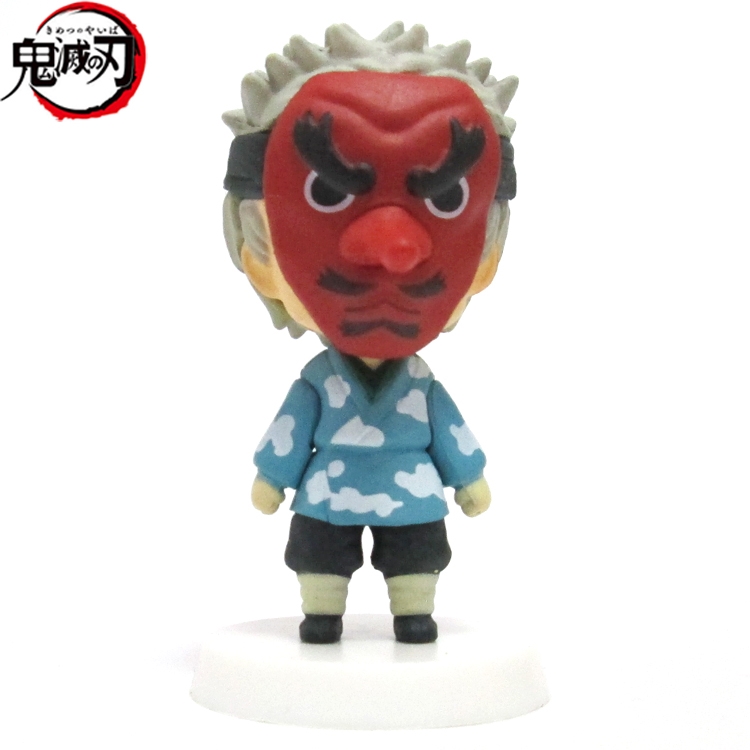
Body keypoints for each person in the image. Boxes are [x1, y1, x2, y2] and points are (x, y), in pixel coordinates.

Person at [221, 21, 518, 644]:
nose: (392, 250)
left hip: (412, 502)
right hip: (327, 497)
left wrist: (469, 477)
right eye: (326, 192)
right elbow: (290, 432)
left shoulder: (421, 388)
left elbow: (451, 435)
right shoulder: (319, 385)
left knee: (416, 554)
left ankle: (413, 611)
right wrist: (272, 477)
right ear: (258, 250)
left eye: (447, 198)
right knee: (319, 554)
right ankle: (321, 611)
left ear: (487, 257)